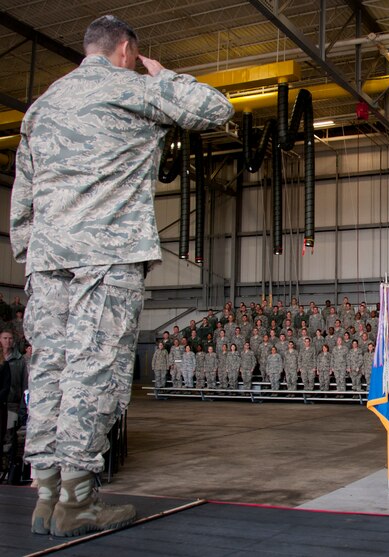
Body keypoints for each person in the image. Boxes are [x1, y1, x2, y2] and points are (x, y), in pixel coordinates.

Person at [10, 15, 233, 536]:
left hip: (47, 260)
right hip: (105, 256)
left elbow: (23, 197)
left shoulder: (42, 105)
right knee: (96, 370)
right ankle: (78, 502)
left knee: (50, 371)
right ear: (127, 49)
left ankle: (44, 497)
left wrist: (32, 252)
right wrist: (162, 75)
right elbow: (214, 109)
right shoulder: (130, 86)